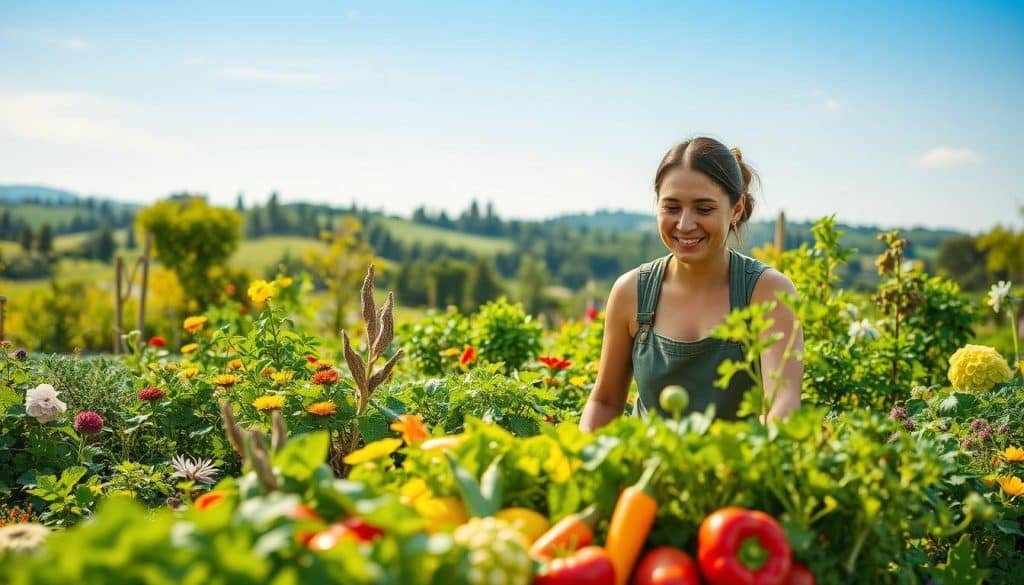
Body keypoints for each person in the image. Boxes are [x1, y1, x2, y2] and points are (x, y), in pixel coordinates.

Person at [579, 137, 803, 431]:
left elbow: (783, 405)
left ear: (736, 209)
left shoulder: (767, 292)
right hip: (645, 472)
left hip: (735, 470)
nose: (685, 224)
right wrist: (580, 466)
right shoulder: (631, 292)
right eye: (671, 208)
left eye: (703, 209)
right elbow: (606, 402)